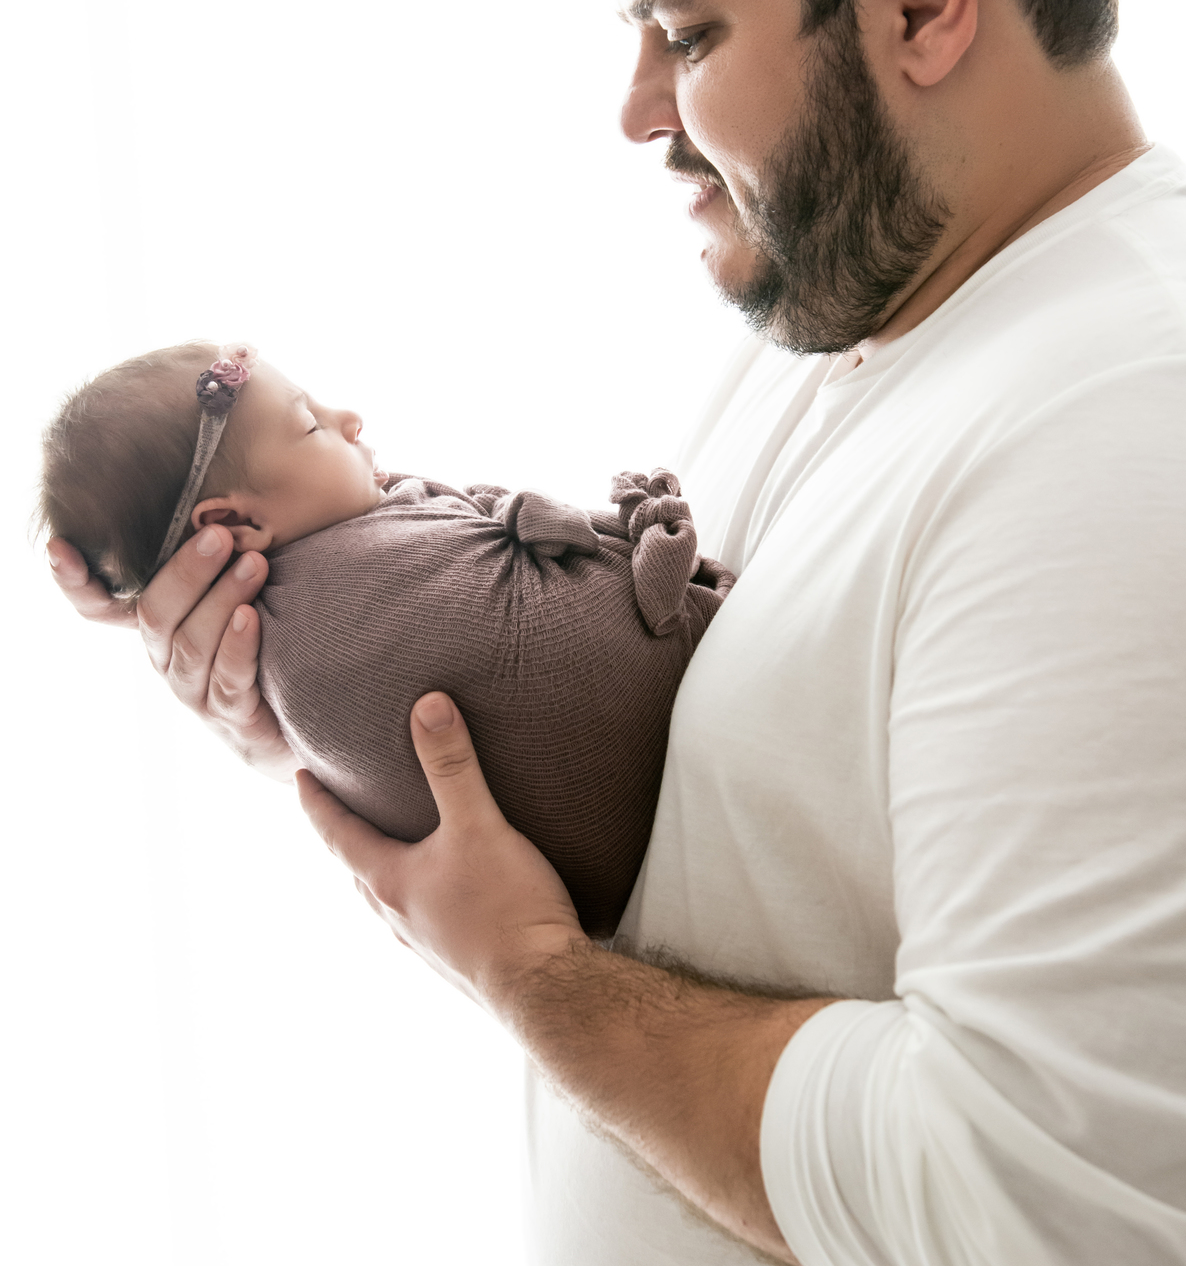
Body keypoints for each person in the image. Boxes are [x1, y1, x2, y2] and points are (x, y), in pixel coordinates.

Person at [49, 0, 1186, 1266]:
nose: (639, 116)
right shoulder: (881, 323)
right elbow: (686, 848)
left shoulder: (1133, 421)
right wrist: (326, 676)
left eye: (689, 35)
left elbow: (1068, 1239)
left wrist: (531, 979)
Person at [39, 341, 731, 935]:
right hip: (649, 722)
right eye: (310, 424)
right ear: (236, 525)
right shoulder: (358, 584)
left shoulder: (284, 656)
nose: (347, 419)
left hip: (593, 894)